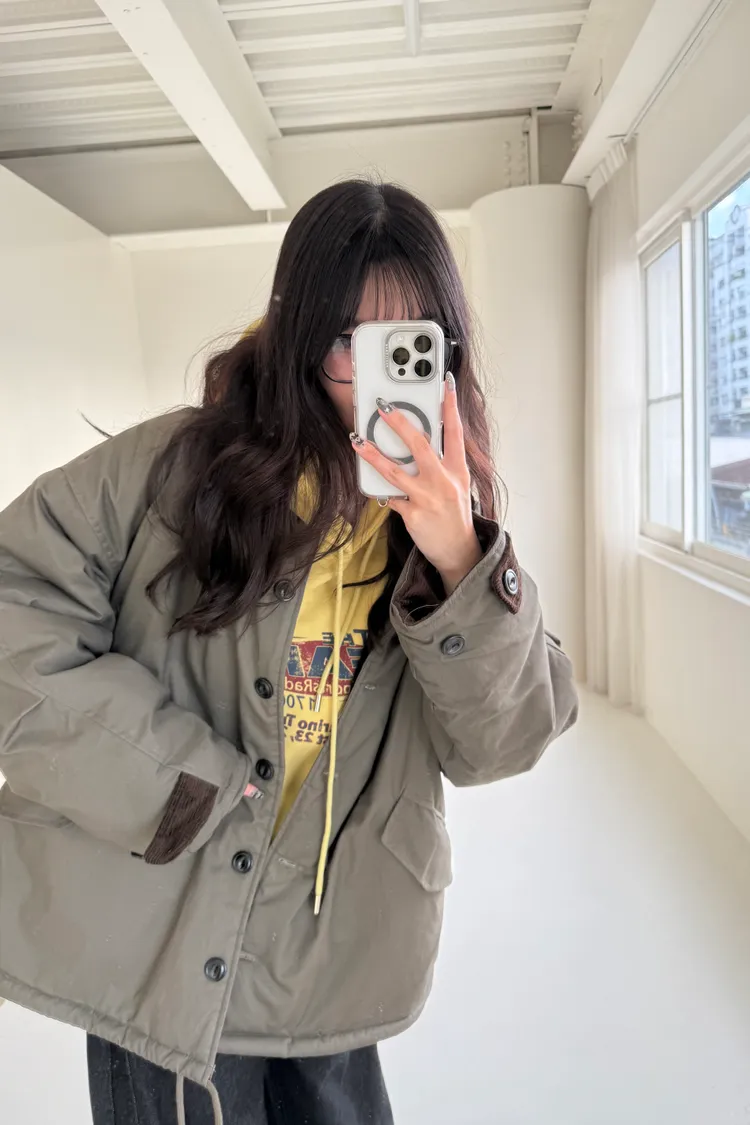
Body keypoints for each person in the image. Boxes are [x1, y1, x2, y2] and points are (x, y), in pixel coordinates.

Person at [0, 180, 578, 1125]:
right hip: (165, 946)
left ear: (446, 354)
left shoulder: (450, 530)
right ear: (298, 337)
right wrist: (166, 782)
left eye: (410, 342)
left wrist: (459, 560)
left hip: (333, 956)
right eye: (350, 339)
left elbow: (502, 743)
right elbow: (11, 600)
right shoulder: (168, 473)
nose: (377, 374)